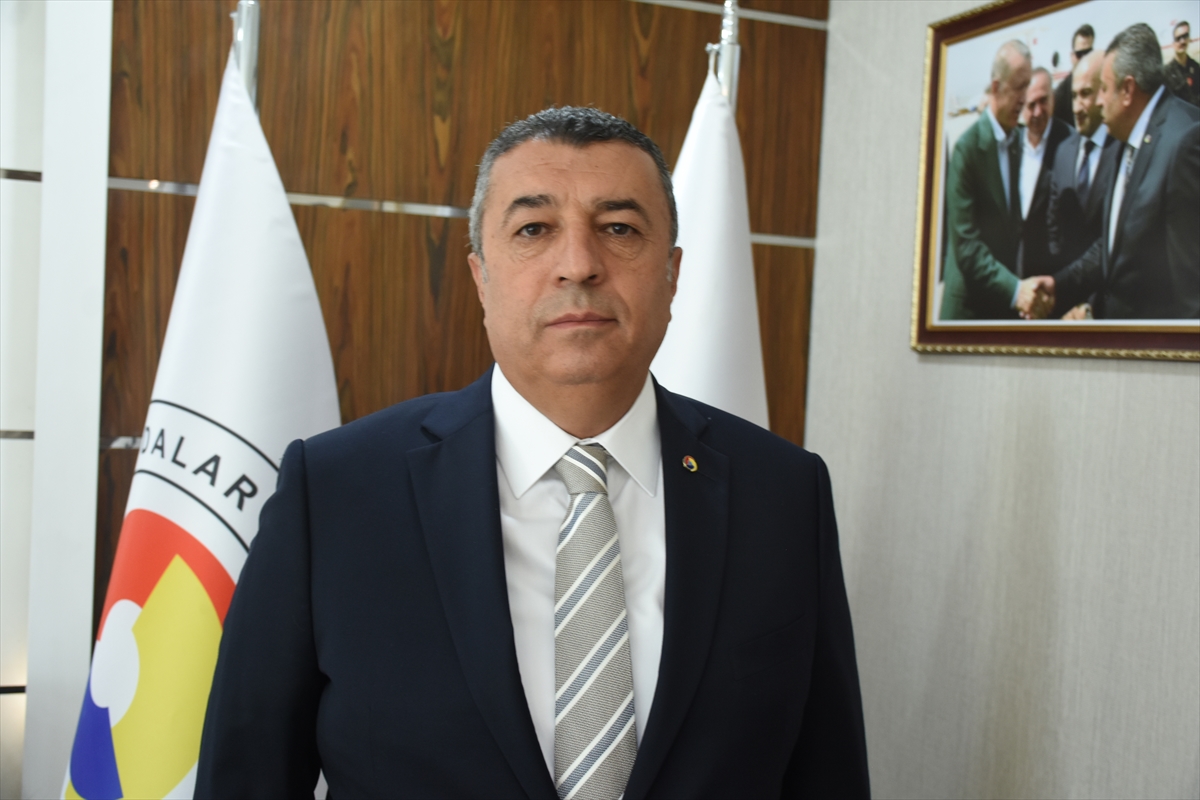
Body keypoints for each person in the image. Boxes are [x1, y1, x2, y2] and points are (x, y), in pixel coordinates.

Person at [194, 107, 871, 798]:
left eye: (619, 228)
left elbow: (827, 774)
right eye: (533, 229)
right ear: (480, 276)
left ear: (672, 275)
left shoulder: (782, 495)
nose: (578, 264)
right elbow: (244, 778)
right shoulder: (336, 493)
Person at [1047, 23, 1200, 319]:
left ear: (1128, 90)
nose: (1098, 101)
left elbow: (1192, 289)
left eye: (1104, 89)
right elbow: (1116, 244)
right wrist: (1058, 286)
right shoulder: (1126, 139)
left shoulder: (1184, 143)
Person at [941, 40, 1052, 320]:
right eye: (1018, 88)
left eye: (1027, 87)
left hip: (1001, 308)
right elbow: (966, 247)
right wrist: (1015, 290)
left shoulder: (1015, 143)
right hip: (968, 312)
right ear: (996, 87)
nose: (1024, 98)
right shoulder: (967, 150)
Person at [1044, 50, 1120, 318]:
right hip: (1066, 301)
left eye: (1086, 94)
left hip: (1107, 303)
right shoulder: (1064, 151)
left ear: (1104, 91)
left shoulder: (1122, 150)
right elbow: (1053, 229)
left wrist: (1090, 303)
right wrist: (1066, 298)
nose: (1077, 107)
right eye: (1074, 96)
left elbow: (1118, 242)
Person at [1015, 67, 1073, 278]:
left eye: (1043, 101)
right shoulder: (1011, 143)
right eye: (1031, 105)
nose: (1038, 112)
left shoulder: (1069, 143)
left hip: (1053, 273)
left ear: (1053, 99)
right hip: (1015, 272)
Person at [1053, 24, 1095, 129]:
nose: (1084, 58)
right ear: (1072, 56)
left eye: (1088, 53)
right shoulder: (1060, 96)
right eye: (1080, 54)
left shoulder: (1100, 86)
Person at [1165, 21, 1200, 108]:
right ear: (1173, 43)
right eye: (1178, 38)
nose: (1182, 41)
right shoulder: (1167, 73)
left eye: (1185, 36)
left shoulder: (1196, 68)